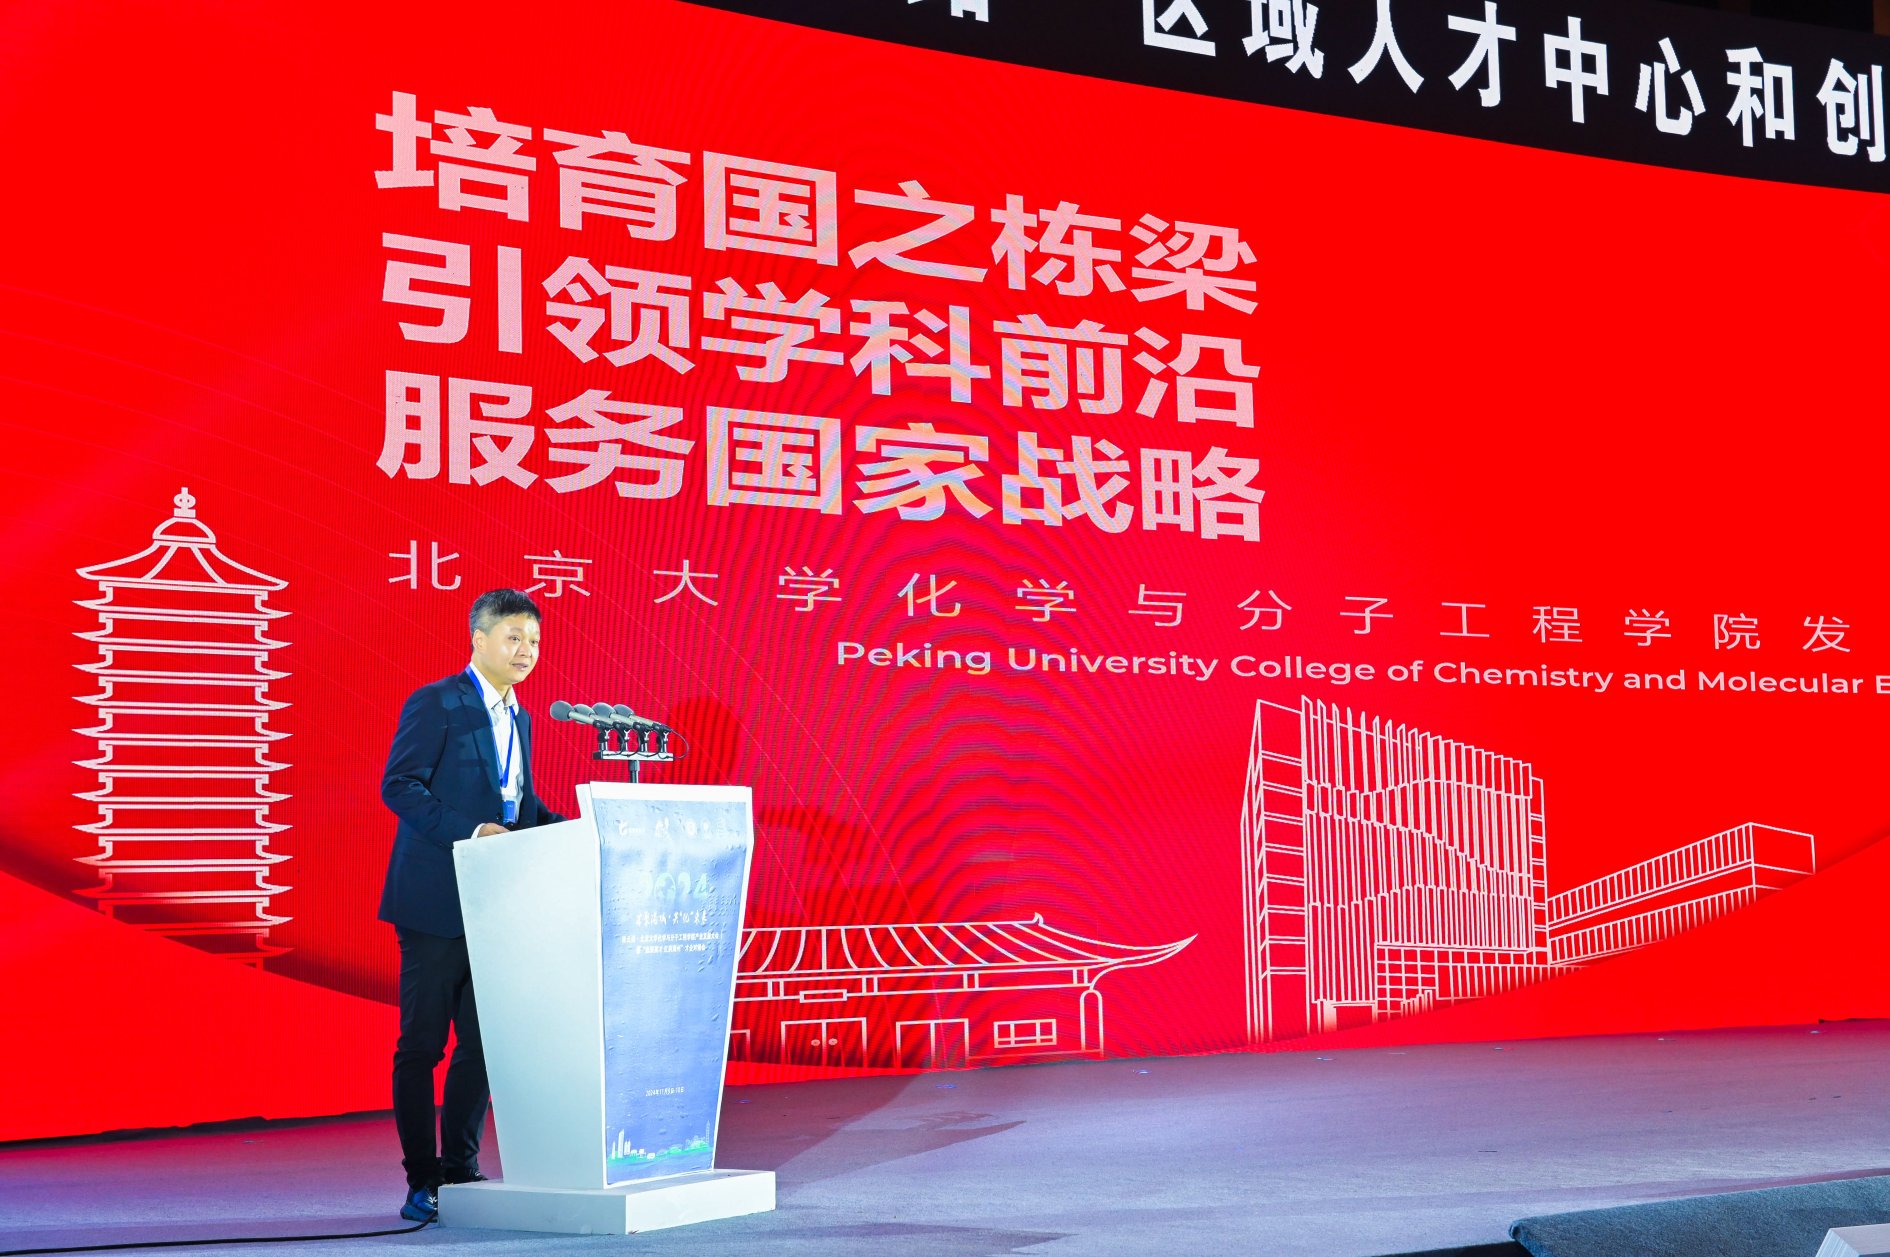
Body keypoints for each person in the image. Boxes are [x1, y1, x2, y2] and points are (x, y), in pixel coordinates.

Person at [378, 589, 567, 1222]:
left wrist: (578, 827)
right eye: (514, 637)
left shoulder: (522, 716)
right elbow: (400, 786)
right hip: (436, 902)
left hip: (498, 905)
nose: (526, 651)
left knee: (483, 1046)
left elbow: (520, 806)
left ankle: (461, 1169)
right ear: (479, 639)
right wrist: (471, 831)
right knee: (422, 1047)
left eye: (534, 641)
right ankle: (422, 1180)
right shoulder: (438, 702)